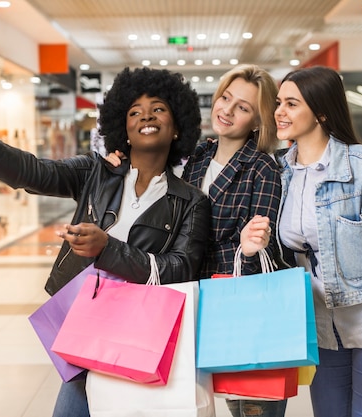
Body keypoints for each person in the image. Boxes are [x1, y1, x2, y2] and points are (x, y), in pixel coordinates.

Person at [0, 66, 211, 417]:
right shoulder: (94, 174)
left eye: (158, 108)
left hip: (146, 338)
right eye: (134, 111)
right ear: (123, 130)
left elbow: (181, 268)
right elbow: (33, 172)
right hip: (89, 329)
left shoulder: (192, 201)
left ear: (177, 127)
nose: (146, 114)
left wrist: (107, 248)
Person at [241, 65, 362, 417]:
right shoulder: (278, 172)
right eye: (279, 102)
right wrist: (252, 242)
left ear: (321, 112)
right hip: (323, 330)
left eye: (292, 104)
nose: (280, 111)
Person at [108, 64, 285, 417]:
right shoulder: (199, 157)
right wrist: (123, 163)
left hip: (236, 304)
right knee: (189, 403)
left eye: (243, 108)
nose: (228, 110)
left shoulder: (262, 168)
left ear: (257, 121)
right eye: (226, 98)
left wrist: (250, 247)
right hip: (189, 298)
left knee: (249, 405)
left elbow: (261, 254)